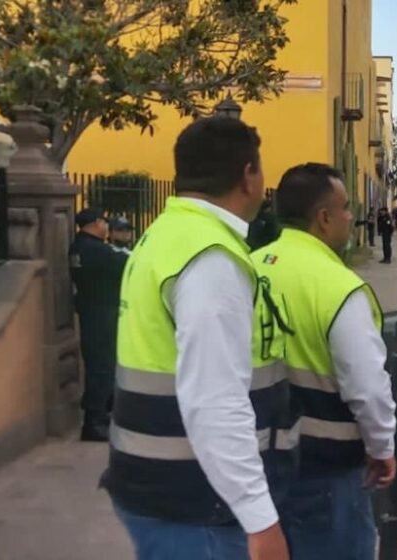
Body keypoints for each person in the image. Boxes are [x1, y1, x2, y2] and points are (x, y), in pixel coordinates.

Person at [102, 117, 291, 560]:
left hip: (159, 486)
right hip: (195, 503)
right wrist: (260, 518)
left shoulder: (164, 235)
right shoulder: (211, 258)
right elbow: (214, 399)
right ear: (248, 175)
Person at [253, 163, 397, 560]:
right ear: (323, 218)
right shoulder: (338, 287)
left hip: (252, 462)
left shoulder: (247, 268)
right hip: (322, 467)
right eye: (346, 208)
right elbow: (367, 387)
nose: (351, 217)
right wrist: (382, 446)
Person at [69, 207, 129, 442]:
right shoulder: (98, 250)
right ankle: (94, 423)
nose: (106, 226)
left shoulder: (78, 247)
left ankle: (98, 416)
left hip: (90, 311)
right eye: (104, 222)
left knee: (97, 366)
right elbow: (126, 263)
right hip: (103, 313)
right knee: (102, 369)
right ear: (95, 223)